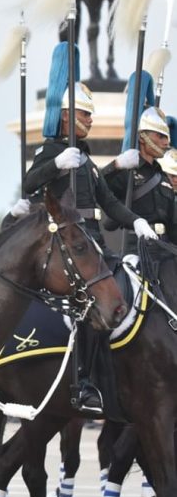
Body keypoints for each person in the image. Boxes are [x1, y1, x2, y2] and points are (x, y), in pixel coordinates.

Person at [25, 78, 157, 414]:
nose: (90, 120)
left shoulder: (84, 159)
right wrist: (55, 165)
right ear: (67, 116)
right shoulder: (54, 151)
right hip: (67, 244)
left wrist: (135, 221)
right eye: (85, 115)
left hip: (93, 241)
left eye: (90, 115)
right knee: (91, 303)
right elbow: (29, 183)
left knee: (125, 291)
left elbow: (109, 202)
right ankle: (82, 381)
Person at [102, 107, 177, 248]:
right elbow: (95, 185)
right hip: (135, 247)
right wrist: (116, 165)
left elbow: (173, 227)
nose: (166, 143)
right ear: (143, 137)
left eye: (166, 137)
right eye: (160, 136)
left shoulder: (163, 178)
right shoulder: (127, 173)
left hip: (163, 248)